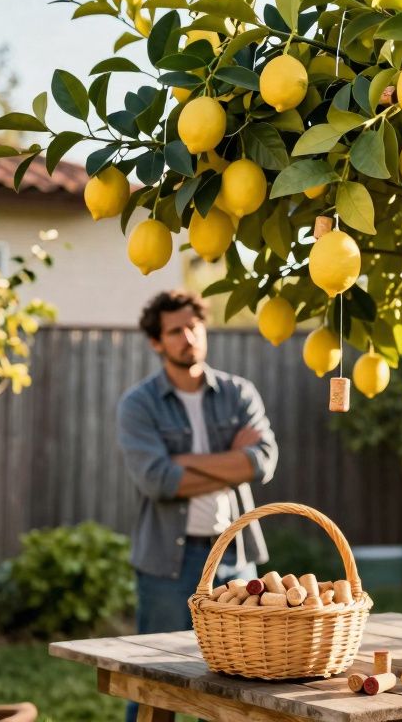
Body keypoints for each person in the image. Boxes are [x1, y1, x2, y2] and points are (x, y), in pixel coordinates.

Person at [116, 290, 277, 718]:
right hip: (169, 561)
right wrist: (231, 461)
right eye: (175, 331)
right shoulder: (139, 404)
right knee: (154, 678)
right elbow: (157, 480)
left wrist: (185, 462)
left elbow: (262, 463)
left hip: (235, 557)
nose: (188, 336)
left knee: (243, 678)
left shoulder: (238, 393)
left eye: (194, 325)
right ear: (156, 342)